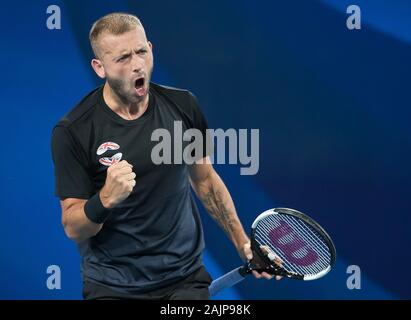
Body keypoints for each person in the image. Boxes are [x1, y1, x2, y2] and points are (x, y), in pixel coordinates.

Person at [51, 12, 276, 300]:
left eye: (141, 52)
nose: (137, 65)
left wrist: (242, 243)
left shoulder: (183, 105)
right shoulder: (74, 131)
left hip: (184, 279)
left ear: (151, 50)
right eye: (122, 58)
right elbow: (74, 227)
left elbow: (205, 180)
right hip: (113, 287)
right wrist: (105, 199)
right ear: (99, 67)